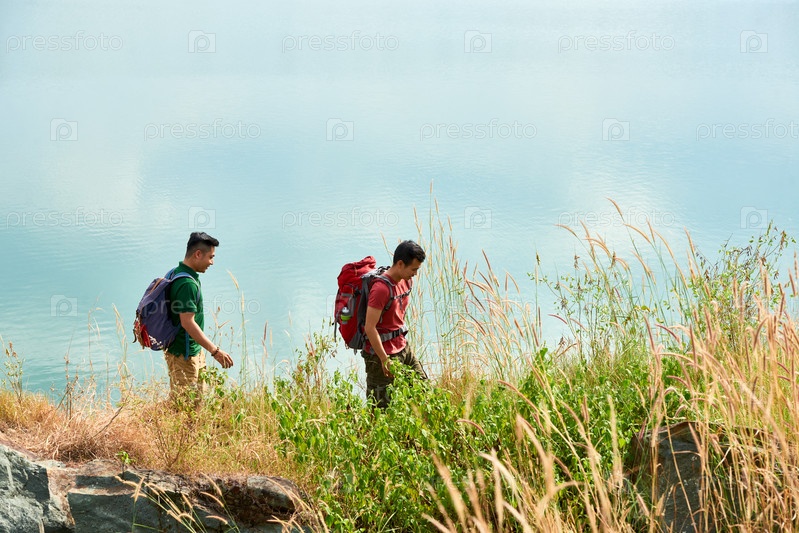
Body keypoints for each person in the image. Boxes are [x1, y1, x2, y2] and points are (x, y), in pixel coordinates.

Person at [165, 232, 233, 399]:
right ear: (198, 254)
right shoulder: (186, 283)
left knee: (197, 401)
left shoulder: (177, 272)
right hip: (184, 354)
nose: (212, 262)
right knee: (186, 406)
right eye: (211, 257)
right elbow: (187, 322)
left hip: (191, 350)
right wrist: (215, 351)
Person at [362, 240, 428, 408]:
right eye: (413, 269)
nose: (415, 274)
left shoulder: (406, 281)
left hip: (403, 348)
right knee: (380, 408)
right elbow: (369, 327)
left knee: (424, 392)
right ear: (400, 264)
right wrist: (384, 360)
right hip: (381, 356)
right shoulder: (381, 289)